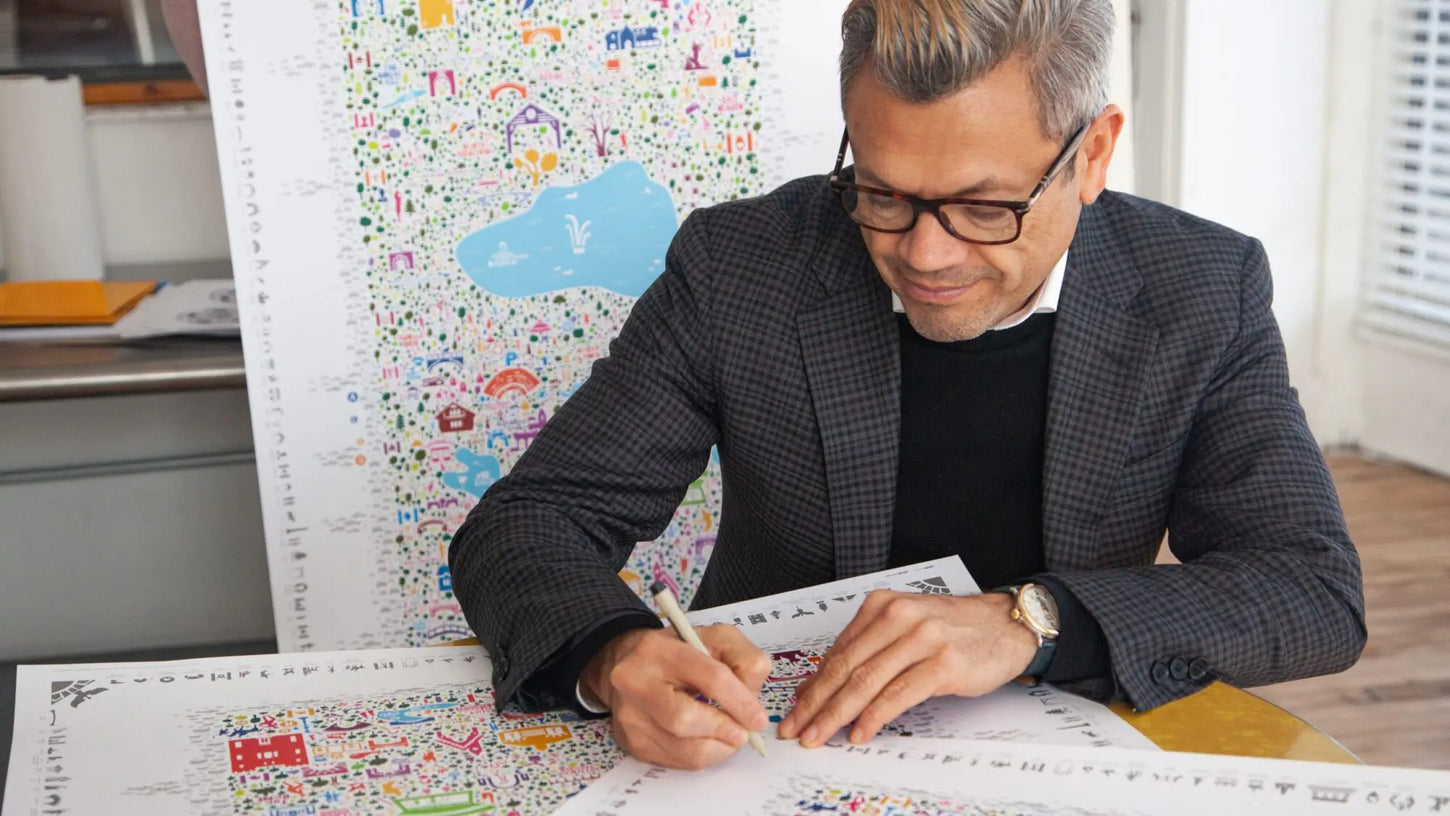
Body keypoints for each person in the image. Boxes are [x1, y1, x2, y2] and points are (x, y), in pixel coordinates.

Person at [449, 0, 1365, 771]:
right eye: (883, 194)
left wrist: (1030, 621)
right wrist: (611, 656)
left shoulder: (1201, 287)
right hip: (773, 752)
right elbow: (530, 521)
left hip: (1068, 759)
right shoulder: (741, 266)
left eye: (984, 208)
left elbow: (1311, 587)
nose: (924, 255)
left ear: (1093, 155)